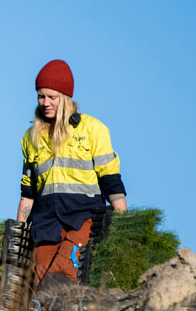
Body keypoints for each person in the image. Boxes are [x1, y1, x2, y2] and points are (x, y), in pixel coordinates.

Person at [17, 59, 127, 291]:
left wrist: (123, 224)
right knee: (41, 281)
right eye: (40, 96)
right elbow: (28, 193)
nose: (45, 103)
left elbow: (111, 181)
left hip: (84, 218)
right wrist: (20, 233)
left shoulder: (93, 129)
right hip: (46, 224)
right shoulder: (30, 138)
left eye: (51, 97)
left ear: (65, 98)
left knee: (64, 269)